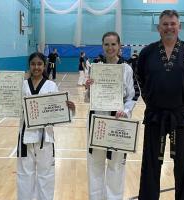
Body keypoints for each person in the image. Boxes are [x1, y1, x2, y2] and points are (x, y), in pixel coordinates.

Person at [136, 10, 184, 200]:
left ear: (179, 26)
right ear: (159, 28)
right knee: (151, 162)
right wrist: (150, 100)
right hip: (154, 115)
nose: (169, 27)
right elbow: (140, 78)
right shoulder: (147, 52)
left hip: (181, 115)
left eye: (173, 24)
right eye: (165, 24)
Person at [16, 52, 76, 200]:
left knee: (46, 175)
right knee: (24, 175)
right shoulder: (21, 85)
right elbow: (12, 107)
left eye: (39, 64)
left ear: (44, 66)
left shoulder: (51, 85)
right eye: (33, 64)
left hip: (46, 137)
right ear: (29, 65)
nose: (36, 67)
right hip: (25, 137)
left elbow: (57, 112)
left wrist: (70, 109)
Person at [85, 32, 137, 200]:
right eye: (106, 44)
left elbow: (133, 95)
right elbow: (88, 99)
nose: (110, 48)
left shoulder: (127, 68)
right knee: (95, 166)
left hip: (118, 122)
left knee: (116, 167)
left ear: (119, 46)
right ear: (102, 46)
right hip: (97, 121)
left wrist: (126, 111)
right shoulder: (96, 67)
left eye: (113, 44)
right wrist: (88, 88)